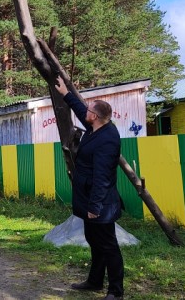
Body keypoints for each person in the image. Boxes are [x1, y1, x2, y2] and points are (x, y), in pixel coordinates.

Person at [56, 76, 124, 300]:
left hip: (101, 203)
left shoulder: (107, 139)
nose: (86, 111)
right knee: (94, 241)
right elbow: (78, 109)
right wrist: (66, 93)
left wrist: (95, 206)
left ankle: (116, 291)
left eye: (89, 109)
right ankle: (95, 281)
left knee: (108, 246)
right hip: (89, 198)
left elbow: (102, 176)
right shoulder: (97, 128)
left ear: (94, 116)